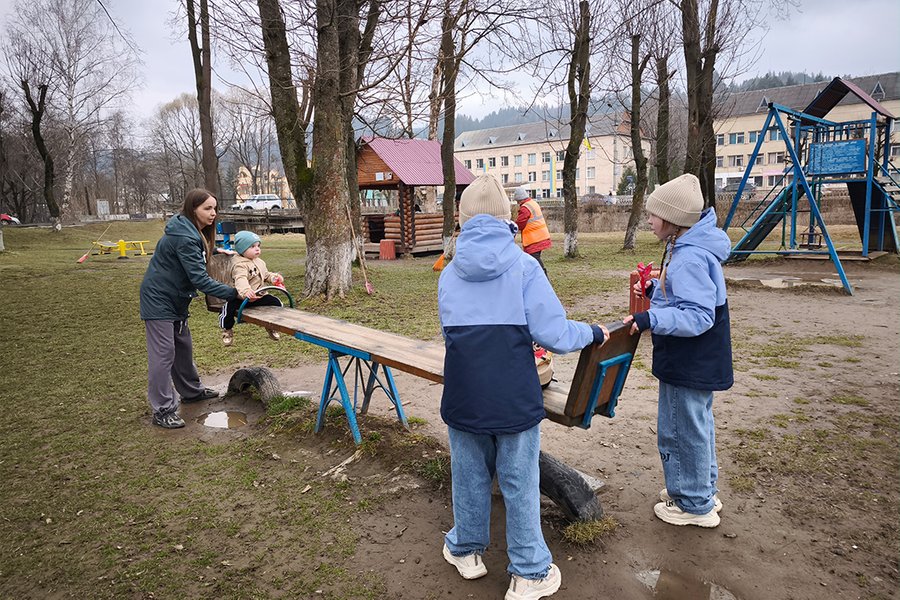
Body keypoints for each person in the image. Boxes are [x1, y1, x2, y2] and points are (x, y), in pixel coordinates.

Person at [438, 174, 608, 600]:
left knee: (469, 474)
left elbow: (450, 334)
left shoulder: (447, 271)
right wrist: (592, 331)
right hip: (513, 396)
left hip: (463, 394)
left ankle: (465, 549)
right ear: (506, 218)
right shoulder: (524, 266)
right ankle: (529, 571)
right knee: (519, 478)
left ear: (463, 220)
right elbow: (555, 334)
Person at [623, 173, 733, 528]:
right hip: (697, 359)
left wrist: (651, 318)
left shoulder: (689, 258)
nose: (649, 220)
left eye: (653, 215)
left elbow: (698, 316)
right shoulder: (688, 247)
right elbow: (688, 298)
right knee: (696, 424)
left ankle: (693, 504)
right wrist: (657, 287)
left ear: (672, 218)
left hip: (690, 361)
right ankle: (699, 489)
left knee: (680, 427)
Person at [139, 188, 254, 429]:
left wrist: (214, 251)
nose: (213, 213)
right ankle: (162, 410)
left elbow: (192, 257)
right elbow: (200, 280)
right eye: (207, 208)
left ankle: (191, 391)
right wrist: (235, 293)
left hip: (176, 299)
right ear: (193, 209)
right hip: (159, 299)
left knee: (182, 347)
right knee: (163, 355)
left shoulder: (191, 231)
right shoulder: (185, 236)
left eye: (214, 208)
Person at [220, 231, 285, 346]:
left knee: (276, 302)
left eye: (258, 246)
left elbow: (264, 275)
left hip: (259, 296)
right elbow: (241, 279)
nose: (257, 249)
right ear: (241, 249)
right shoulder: (239, 264)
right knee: (227, 309)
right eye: (252, 246)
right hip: (241, 297)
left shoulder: (259, 262)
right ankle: (227, 330)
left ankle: (271, 325)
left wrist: (273, 277)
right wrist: (245, 291)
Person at [513, 187, 551, 276]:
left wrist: (512, 226)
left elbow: (520, 224)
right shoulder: (533, 203)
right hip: (541, 236)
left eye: (517, 201)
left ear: (519, 199)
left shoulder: (525, 208)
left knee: (535, 261)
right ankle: (538, 278)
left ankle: (543, 279)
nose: (517, 203)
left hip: (534, 239)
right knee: (534, 260)